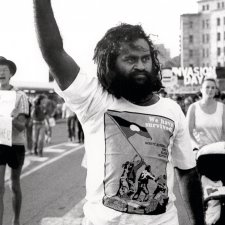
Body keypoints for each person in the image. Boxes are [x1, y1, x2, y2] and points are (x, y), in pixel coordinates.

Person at [33, 1, 205, 224]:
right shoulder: (94, 99)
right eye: (130, 59)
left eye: (145, 58)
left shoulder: (172, 110)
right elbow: (53, 52)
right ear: (111, 65)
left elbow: (187, 173)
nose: (141, 66)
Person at [186, 77, 225, 225]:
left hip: (219, 151)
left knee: (220, 183)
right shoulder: (193, 108)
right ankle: (208, 213)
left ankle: (218, 212)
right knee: (205, 186)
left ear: (216, 90)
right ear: (201, 89)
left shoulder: (222, 107)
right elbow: (188, 131)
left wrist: (220, 145)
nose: (210, 90)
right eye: (207, 87)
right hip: (201, 153)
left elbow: (224, 131)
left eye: (213, 87)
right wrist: (197, 146)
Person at [0, 57, 29, 225]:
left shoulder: (20, 96)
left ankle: (16, 220)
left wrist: (8, 116)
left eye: (4, 70)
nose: (0, 73)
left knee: (14, 185)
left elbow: (21, 126)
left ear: (11, 74)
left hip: (15, 144)